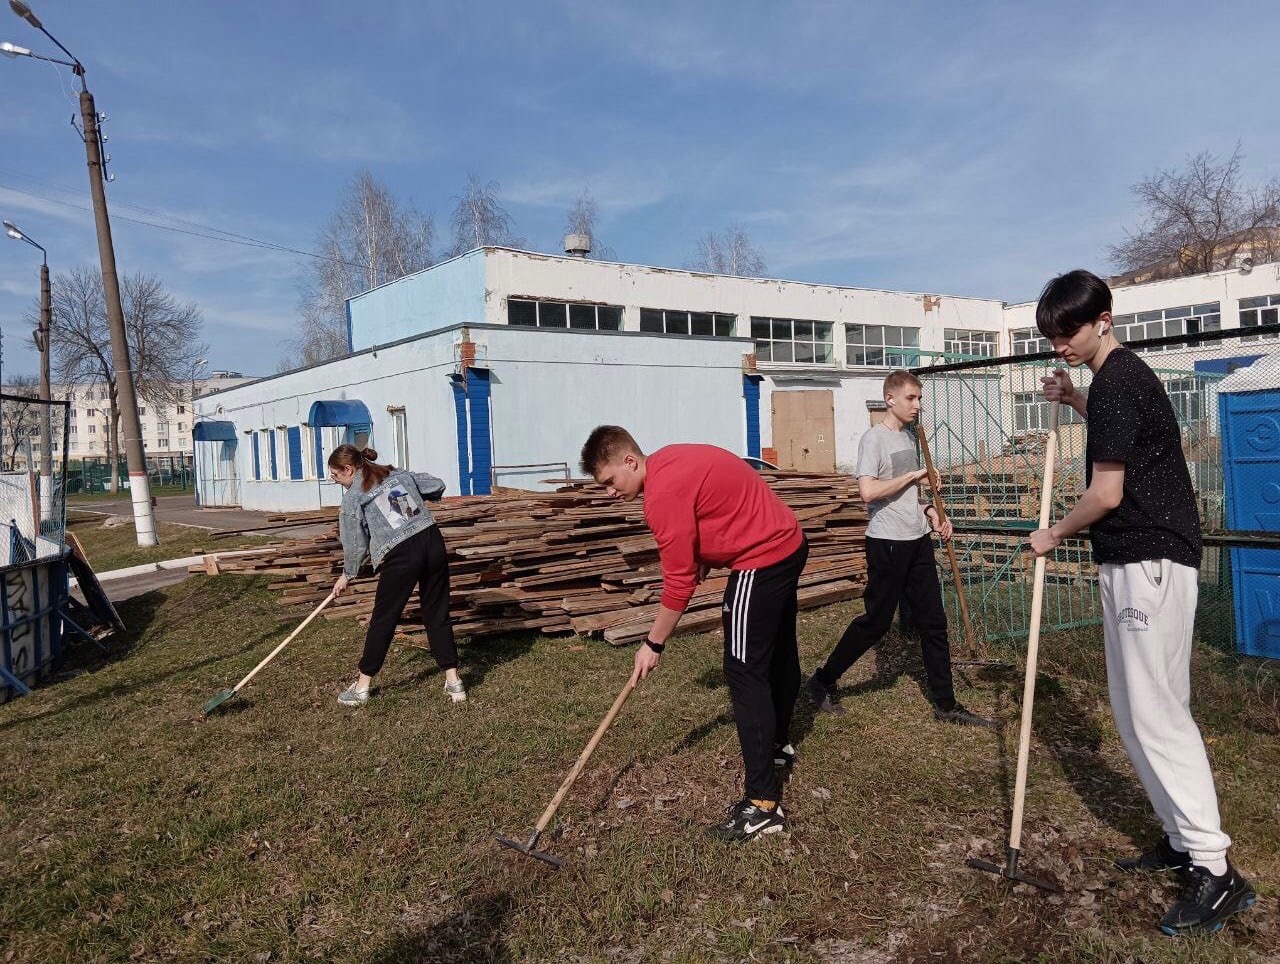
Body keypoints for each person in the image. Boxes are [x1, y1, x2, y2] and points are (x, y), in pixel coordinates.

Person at [1030, 269, 1254, 937]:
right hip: (1135, 559)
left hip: (1150, 560)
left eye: (1067, 332)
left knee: (1157, 714)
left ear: (1104, 317)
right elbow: (1132, 437)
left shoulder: (1121, 380)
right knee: (1135, 711)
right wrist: (1077, 402)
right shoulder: (1113, 384)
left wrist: (1053, 533)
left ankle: (1216, 872)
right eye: (1050, 336)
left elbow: (1105, 494)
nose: (1059, 345)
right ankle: (1182, 840)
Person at [580, 426, 808, 842]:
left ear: (630, 461)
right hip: (789, 541)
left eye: (610, 481)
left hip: (761, 559)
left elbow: (679, 583)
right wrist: (704, 555)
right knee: (777, 656)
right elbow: (713, 511)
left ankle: (762, 806)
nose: (610, 492)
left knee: (743, 671)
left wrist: (653, 643)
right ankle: (777, 746)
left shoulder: (661, 495)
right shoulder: (670, 460)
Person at [805, 371, 992, 727]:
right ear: (890, 399)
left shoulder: (910, 438)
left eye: (920, 398)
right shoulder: (873, 440)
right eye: (911, 398)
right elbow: (868, 493)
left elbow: (913, 497)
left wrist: (933, 512)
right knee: (876, 623)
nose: (917, 405)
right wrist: (915, 475)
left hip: (917, 538)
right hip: (887, 542)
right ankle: (822, 680)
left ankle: (945, 704)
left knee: (934, 623)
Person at [328, 444, 465, 707]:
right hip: (432, 543)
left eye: (335, 475)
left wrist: (348, 574)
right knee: (437, 612)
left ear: (348, 469)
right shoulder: (395, 474)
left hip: (402, 555)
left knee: (383, 619)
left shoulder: (354, 497)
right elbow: (436, 485)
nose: (333, 480)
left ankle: (362, 687)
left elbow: (355, 543)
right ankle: (454, 681)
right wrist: (407, 483)